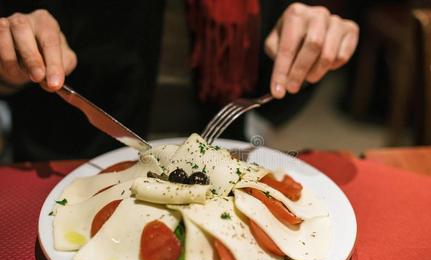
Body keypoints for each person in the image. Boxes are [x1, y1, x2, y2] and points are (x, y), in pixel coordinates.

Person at [0, 1, 358, 161]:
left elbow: (272, 98)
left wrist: (308, 53)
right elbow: (13, 66)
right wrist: (11, 68)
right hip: (74, 163)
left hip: (219, 159)